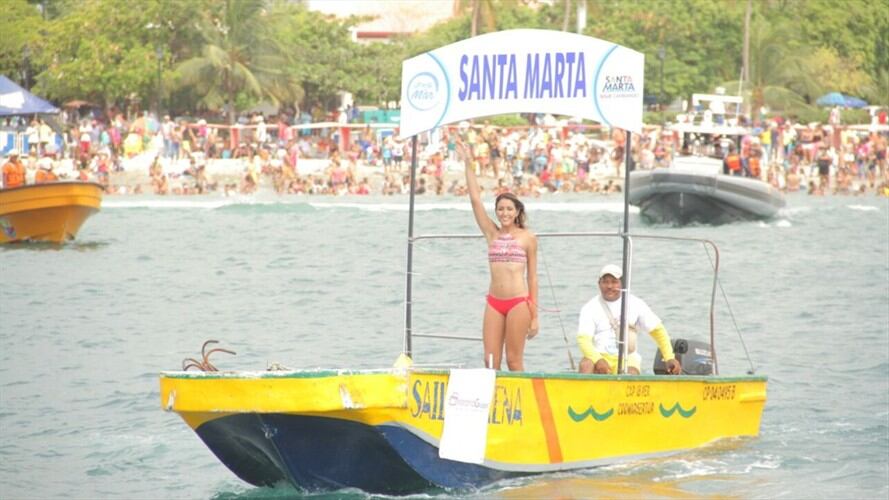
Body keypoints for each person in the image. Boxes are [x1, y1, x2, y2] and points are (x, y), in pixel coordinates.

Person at [459, 138, 538, 371]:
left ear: (517, 212)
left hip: (518, 303)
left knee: (514, 361)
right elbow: (475, 201)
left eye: (509, 209)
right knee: (490, 361)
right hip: (494, 302)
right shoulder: (491, 233)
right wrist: (468, 164)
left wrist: (535, 316)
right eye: (500, 209)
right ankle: (494, 403)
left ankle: (522, 404)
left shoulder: (528, 238)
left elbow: (533, 278)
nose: (504, 213)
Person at [577, 264, 681, 375]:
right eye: (605, 282)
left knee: (631, 373)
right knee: (586, 365)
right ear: (599, 284)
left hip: (628, 357)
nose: (609, 286)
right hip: (599, 355)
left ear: (622, 283)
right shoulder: (590, 308)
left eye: (614, 281)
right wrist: (598, 360)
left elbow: (658, 331)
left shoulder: (636, 304)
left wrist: (669, 357)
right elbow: (583, 340)